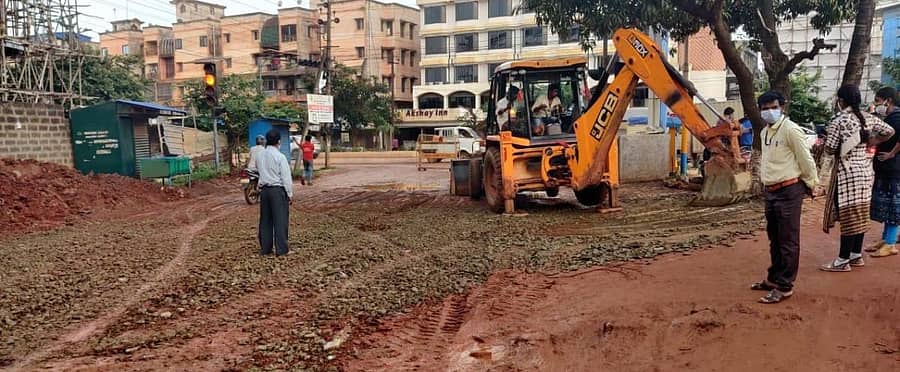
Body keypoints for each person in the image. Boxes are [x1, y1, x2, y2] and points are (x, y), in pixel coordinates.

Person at [753, 91, 819, 304]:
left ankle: (785, 285)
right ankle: (774, 278)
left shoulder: (791, 130)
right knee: (774, 237)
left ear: (782, 107)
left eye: (772, 107)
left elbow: (806, 159)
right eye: (764, 108)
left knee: (788, 239)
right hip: (771, 190)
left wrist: (812, 183)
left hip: (789, 190)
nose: (768, 111)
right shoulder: (765, 132)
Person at [820, 85, 895, 271]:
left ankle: (843, 260)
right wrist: (873, 140)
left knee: (848, 216)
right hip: (865, 171)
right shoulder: (868, 118)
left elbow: (829, 148)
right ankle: (856, 255)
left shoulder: (840, 120)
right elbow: (890, 131)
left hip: (846, 174)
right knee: (860, 213)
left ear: (841, 101)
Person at [868, 87, 900, 257]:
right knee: (887, 206)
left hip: (894, 169)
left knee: (894, 207)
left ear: (888, 100)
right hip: (886, 169)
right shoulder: (888, 117)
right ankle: (886, 238)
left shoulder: (897, 117)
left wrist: (891, 154)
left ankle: (890, 243)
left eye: (879, 101)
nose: (877, 104)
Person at [256, 129, 293, 256]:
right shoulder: (280, 157)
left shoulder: (260, 155)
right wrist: (289, 194)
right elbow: (286, 178)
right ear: (278, 141)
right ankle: (281, 249)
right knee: (280, 219)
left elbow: (259, 172)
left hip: (264, 190)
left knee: (265, 219)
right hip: (277, 190)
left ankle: (265, 248)